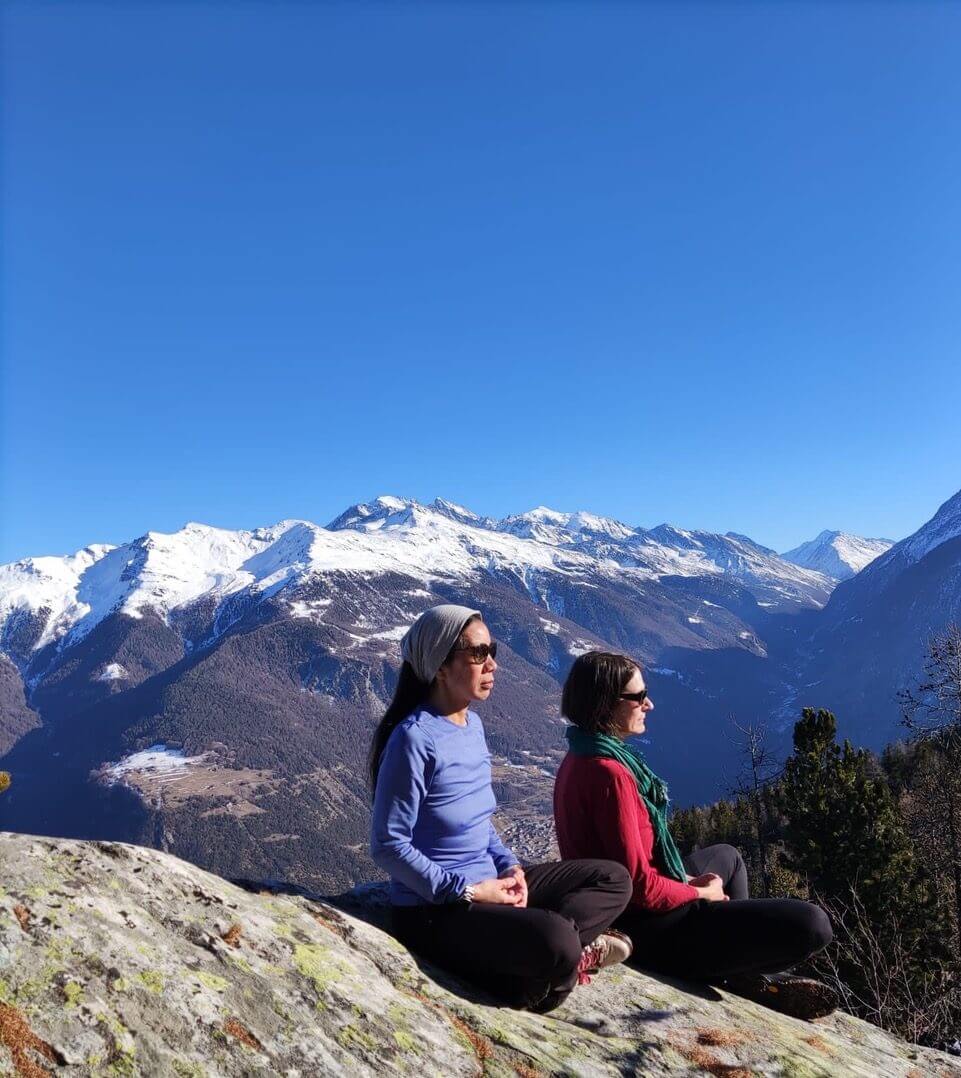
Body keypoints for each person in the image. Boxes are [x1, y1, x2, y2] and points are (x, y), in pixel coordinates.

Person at [370, 604, 634, 1013]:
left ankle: (549, 952)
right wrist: (470, 890)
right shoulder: (414, 739)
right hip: (436, 909)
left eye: (491, 649)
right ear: (440, 666)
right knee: (558, 940)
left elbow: (479, 822)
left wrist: (509, 867)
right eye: (478, 653)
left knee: (613, 878)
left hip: (488, 882)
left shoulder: (470, 724)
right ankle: (554, 961)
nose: (492, 662)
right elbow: (388, 845)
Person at [552, 650, 837, 1020]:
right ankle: (735, 970)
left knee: (727, 857)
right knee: (813, 925)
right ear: (606, 704)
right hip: (647, 928)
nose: (648, 704)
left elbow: (635, 865)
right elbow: (639, 887)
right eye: (638, 697)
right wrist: (699, 892)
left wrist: (684, 878)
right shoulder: (610, 775)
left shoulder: (582, 755)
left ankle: (737, 967)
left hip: (629, 907)